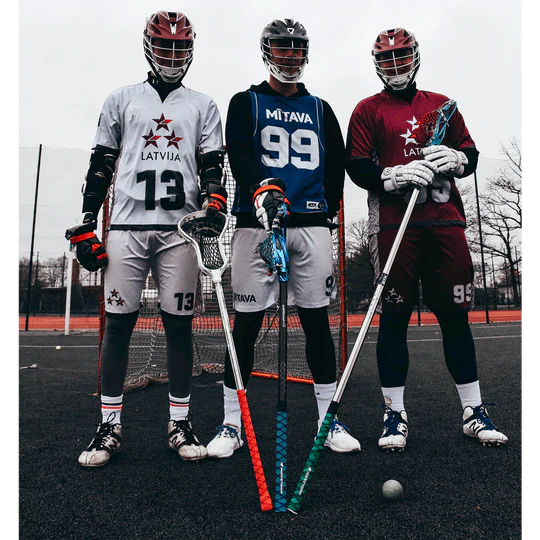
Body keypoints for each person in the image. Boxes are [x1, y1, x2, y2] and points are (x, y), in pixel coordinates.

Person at [65, 11, 228, 466]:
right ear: (148, 47)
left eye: (180, 47)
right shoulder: (121, 99)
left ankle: (180, 422)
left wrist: (215, 200)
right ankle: (109, 425)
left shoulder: (203, 105)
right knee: (119, 325)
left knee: (179, 326)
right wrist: (86, 221)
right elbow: (101, 164)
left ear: (190, 50)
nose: (172, 55)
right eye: (165, 46)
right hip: (127, 227)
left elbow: (212, 165)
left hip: (181, 230)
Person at [345, 28, 508, 451]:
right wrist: (391, 175)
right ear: (377, 64)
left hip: (444, 222)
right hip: (393, 227)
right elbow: (357, 165)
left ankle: (473, 411)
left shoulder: (442, 104)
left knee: (455, 318)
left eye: (401, 57)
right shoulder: (367, 109)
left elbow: (471, 155)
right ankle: (394, 414)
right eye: (387, 59)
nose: (395, 66)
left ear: (415, 57)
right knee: (394, 319)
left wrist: (457, 158)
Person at [205, 18, 360, 458]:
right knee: (246, 325)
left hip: (308, 224)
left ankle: (327, 421)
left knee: (316, 322)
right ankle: (231, 423)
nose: (290, 54)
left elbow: (335, 164)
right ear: (266, 50)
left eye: (297, 47)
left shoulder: (321, 108)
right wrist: (262, 190)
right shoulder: (246, 101)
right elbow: (240, 155)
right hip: (256, 223)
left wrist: (325, 211)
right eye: (282, 46)